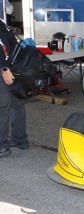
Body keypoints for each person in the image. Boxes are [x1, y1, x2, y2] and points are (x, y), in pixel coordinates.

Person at [0, 19, 28, 157]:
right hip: (13, 70)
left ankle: (2, 147)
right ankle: (20, 140)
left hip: (4, 72)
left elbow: (3, 47)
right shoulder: (2, 24)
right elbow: (14, 45)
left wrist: (4, 68)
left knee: (2, 110)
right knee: (17, 105)